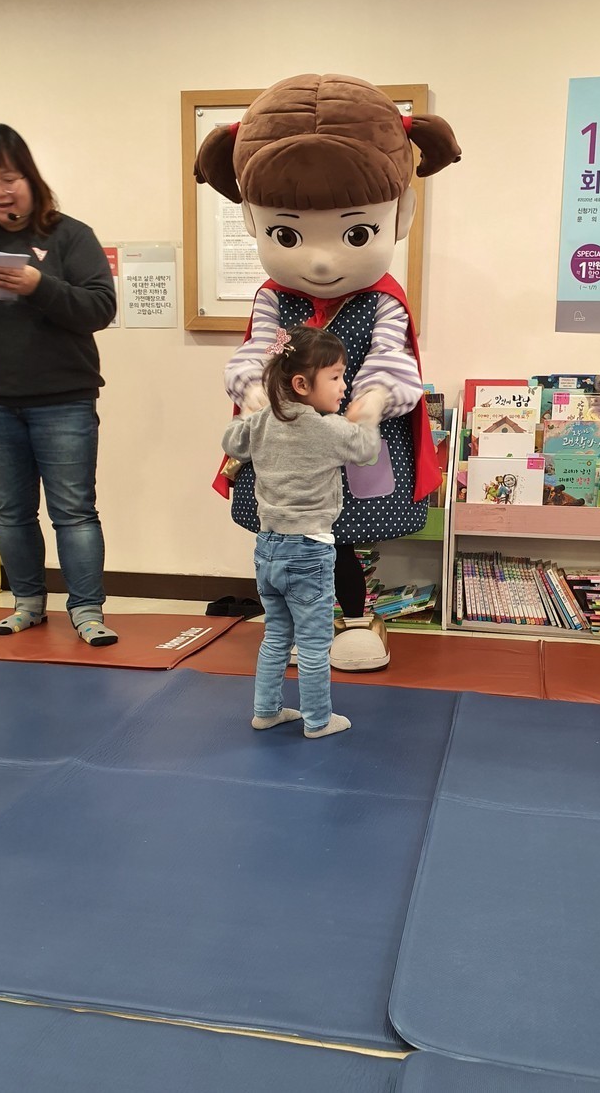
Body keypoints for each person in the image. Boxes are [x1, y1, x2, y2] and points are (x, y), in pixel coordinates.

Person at [196, 73, 460, 672]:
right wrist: (254, 392)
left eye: (356, 232)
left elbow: (393, 358)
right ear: (253, 221)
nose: (319, 260)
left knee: (344, 536)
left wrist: (371, 400)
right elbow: (258, 352)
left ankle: (356, 619)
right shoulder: (273, 298)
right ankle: (293, 622)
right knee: (286, 535)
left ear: (400, 214)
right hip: (287, 445)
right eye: (287, 234)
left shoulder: (384, 300)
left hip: (353, 440)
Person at [0, 124, 118, 645]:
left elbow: (100, 308)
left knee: (74, 511)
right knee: (11, 512)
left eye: (9, 177)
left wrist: (38, 285)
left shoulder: (69, 235)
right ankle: (27, 604)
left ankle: (87, 610)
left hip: (64, 399)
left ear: (30, 177)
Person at [222, 325, 381, 738]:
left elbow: (232, 443)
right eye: (336, 376)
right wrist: (367, 417)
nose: (343, 385)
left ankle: (266, 711)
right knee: (312, 643)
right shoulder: (327, 429)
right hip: (309, 550)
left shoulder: (263, 421)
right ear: (301, 384)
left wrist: (250, 410)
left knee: (276, 635)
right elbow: (367, 450)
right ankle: (318, 720)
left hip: (268, 548)